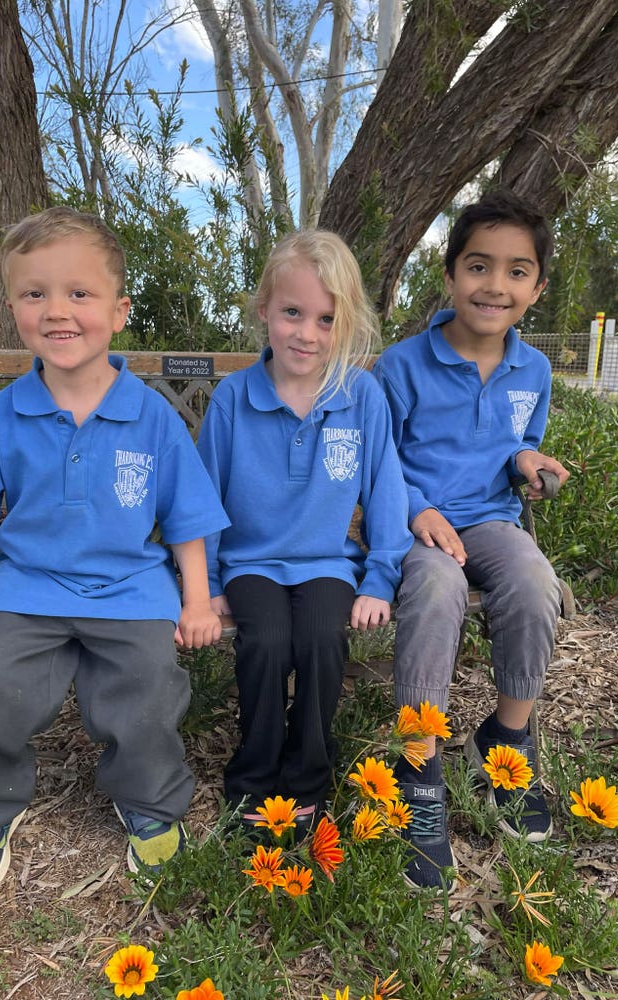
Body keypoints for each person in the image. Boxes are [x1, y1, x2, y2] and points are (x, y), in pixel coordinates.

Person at [0, 206, 229, 904]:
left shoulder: (150, 414)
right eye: (36, 294)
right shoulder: (6, 414)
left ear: (119, 310)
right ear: (14, 309)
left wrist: (194, 597)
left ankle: (148, 800)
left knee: (149, 687)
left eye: (79, 294)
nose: (57, 311)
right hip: (27, 589)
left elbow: (186, 519)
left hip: (130, 589)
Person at [373, 189, 570, 891]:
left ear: (536, 289)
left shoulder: (534, 371)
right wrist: (416, 508)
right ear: (451, 274)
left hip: (491, 520)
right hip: (419, 523)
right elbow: (378, 459)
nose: (496, 285)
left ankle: (507, 741)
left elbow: (522, 441)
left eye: (517, 271)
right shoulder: (401, 365)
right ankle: (418, 767)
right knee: (434, 588)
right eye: (479, 267)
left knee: (534, 581)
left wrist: (527, 462)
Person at [197, 230, 412, 835]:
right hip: (251, 563)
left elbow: (386, 492)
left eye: (325, 319)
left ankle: (308, 777)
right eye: (292, 312)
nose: (306, 334)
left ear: (343, 325)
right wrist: (208, 582)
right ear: (265, 309)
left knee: (321, 638)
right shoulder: (233, 398)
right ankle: (254, 775)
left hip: (328, 564)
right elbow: (203, 499)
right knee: (265, 642)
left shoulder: (360, 396)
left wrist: (380, 578)